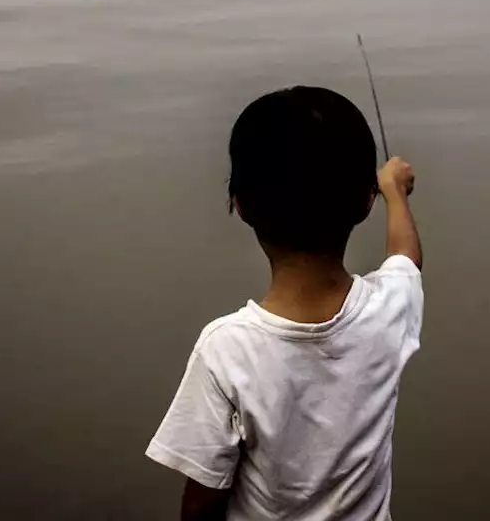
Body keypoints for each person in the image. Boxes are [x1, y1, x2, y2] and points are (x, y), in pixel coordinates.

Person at [145, 86, 424, 520]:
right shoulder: (390, 310)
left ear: (239, 205)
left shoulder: (226, 349)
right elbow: (406, 258)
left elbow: (201, 502)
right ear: (366, 201)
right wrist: (395, 193)